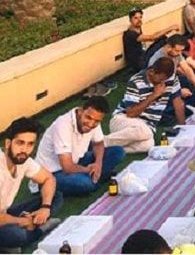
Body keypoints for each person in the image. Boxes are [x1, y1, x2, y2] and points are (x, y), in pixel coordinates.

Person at [34, 97, 125, 197]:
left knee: (118, 152)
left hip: (76, 162)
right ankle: (95, 181)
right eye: (88, 118)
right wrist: (88, 169)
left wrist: (98, 163)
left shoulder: (94, 119)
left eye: (96, 121)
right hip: (52, 173)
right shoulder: (62, 125)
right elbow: (67, 167)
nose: (91, 124)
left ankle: (95, 177)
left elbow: (98, 143)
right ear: (81, 111)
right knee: (86, 184)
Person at [0, 117, 63, 250]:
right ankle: (39, 229)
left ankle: (32, 225)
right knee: (17, 235)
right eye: (20, 143)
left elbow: (48, 179)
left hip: (5, 213)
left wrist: (44, 208)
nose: (24, 149)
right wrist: (23, 221)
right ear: (7, 143)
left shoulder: (24, 161)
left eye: (30, 144)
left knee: (55, 197)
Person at [105, 57, 184, 153]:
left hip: (147, 125)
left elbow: (178, 102)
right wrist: (154, 95)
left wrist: (184, 127)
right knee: (145, 132)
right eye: (160, 79)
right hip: (123, 119)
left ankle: (107, 149)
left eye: (165, 79)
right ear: (152, 72)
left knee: (148, 145)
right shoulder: (136, 81)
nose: (163, 82)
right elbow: (131, 113)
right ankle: (102, 143)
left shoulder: (171, 79)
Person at [122, 7, 179, 73]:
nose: (139, 20)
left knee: (162, 39)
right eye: (135, 18)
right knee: (163, 41)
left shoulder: (137, 29)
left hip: (143, 56)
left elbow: (155, 35)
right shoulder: (131, 34)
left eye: (140, 17)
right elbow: (152, 38)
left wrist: (165, 32)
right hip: (139, 63)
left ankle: (170, 61)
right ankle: (168, 64)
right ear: (130, 20)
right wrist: (170, 28)